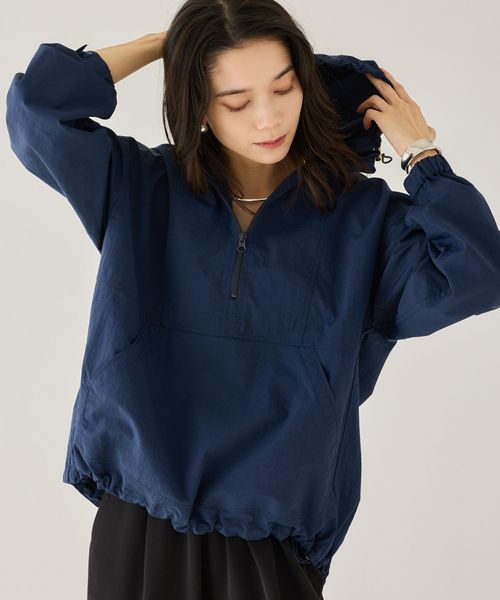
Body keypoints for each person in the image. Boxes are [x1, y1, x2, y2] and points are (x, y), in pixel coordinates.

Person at [5, 0, 500, 598]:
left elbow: (478, 271)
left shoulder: (362, 221)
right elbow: (36, 109)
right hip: (140, 520)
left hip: (273, 538)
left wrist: (420, 153)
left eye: (284, 88)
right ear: (197, 105)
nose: (268, 117)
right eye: (236, 101)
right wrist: (167, 43)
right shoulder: (142, 187)